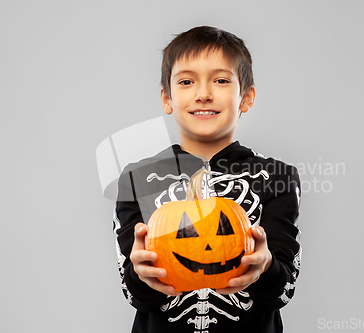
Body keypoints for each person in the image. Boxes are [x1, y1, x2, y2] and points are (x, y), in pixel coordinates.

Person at [113, 26, 301, 333]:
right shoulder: (137, 178)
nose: (203, 94)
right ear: (167, 98)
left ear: (246, 97)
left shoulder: (277, 177)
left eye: (221, 80)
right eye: (186, 81)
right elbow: (136, 296)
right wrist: (139, 271)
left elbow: (283, 291)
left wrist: (265, 266)